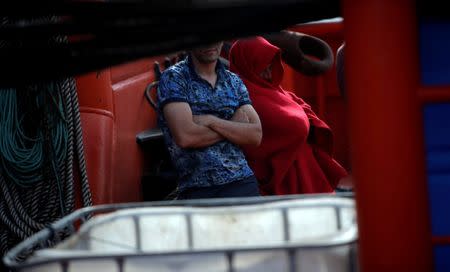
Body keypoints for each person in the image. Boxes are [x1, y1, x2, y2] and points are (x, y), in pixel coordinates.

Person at [228, 36, 350, 195]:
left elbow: (302, 115)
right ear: (247, 65)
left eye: (271, 64)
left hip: (306, 176)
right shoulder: (244, 96)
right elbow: (296, 128)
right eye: (261, 64)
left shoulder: (276, 91)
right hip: (284, 186)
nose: (268, 71)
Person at [157, 41, 263, 199]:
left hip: (242, 181)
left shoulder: (233, 81)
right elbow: (186, 137)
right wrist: (233, 124)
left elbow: (255, 135)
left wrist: (212, 121)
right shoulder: (174, 78)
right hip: (199, 188)